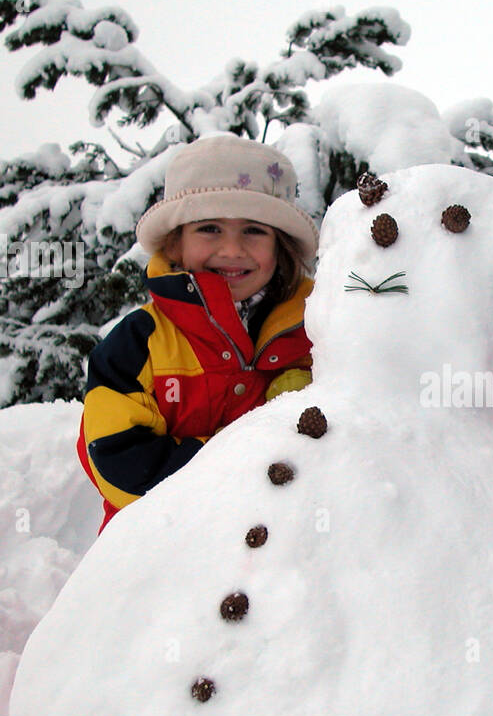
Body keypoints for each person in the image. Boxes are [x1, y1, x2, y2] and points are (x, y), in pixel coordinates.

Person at [78, 134, 317, 532]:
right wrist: (242, 462)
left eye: (254, 231)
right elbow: (118, 460)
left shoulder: (317, 332)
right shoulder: (139, 342)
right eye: (209, 228)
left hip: (278, 563)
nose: (232, 250)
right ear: (176, 243)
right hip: (156, 557)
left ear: (281, 245)